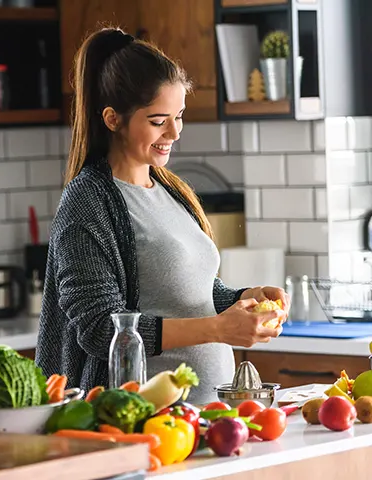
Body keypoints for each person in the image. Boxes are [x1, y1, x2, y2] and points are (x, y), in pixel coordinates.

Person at [35, 27, 289, 404]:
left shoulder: (171, 190)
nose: (174, 132)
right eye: (158, 121)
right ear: (112, 119)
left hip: (208, 414)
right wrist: (219, 328)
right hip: (138, 419)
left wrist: (242, 299)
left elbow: (183, 292)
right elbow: (100, 328)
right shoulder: (87, 201)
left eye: (179, 116)